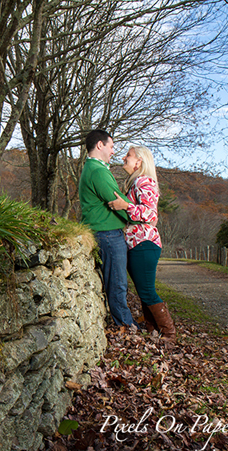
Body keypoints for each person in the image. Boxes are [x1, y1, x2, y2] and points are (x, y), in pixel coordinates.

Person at [108, 145, 176, 342]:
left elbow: (151, 214)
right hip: (137, 243)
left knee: (147, 290)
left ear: (139, 162)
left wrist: (125, 206)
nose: (123, 158)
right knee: (143, 289)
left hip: (144, 243)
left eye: (128, 156)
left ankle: (169, 334)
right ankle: (154, 329)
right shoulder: (135, 182)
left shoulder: (144, 181)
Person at [79, 130, 140, 329]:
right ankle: (125, 325)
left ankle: (124, 321)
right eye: (111, 146)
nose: (114, 152)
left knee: (117, 281)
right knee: (118, 282)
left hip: (108, 232)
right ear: (99, 145)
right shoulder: (97, 171)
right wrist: (139, 218)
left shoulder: (95, 169)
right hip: (107, 234)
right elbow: (117, 201)